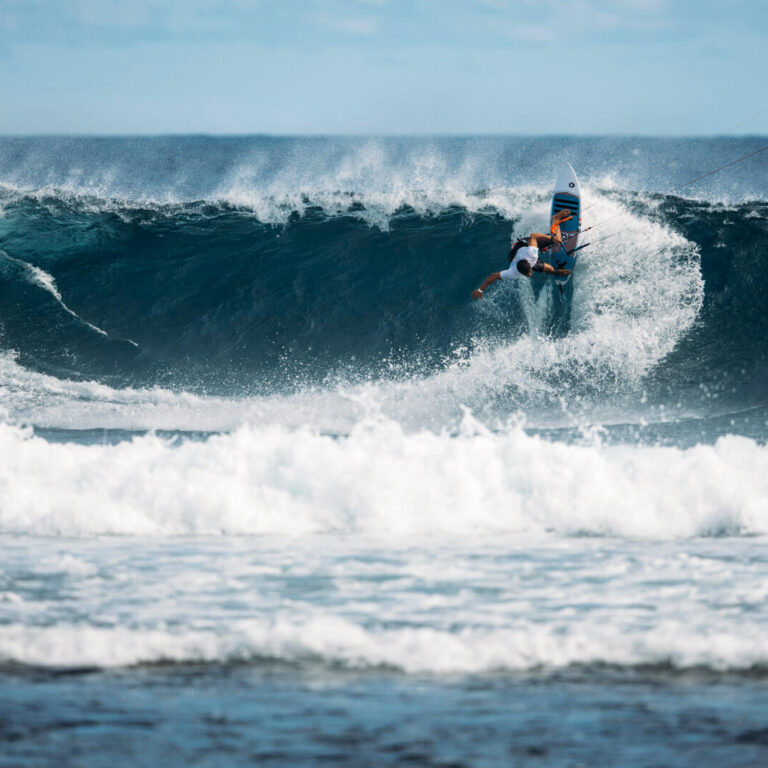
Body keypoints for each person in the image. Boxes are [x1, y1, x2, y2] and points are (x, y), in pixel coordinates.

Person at [471, 209, 573, 300]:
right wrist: (480, 290)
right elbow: (493, 276)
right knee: (547, 269)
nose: (530, 275)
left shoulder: (531, 254)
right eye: (528, 274)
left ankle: (556, 218)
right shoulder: (512, 272)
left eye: (529, 272)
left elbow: (533, 236)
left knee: (559, 238)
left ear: (529, 265)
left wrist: (552, 239)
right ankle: (555, 271)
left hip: (523, 245)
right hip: (515, 255)